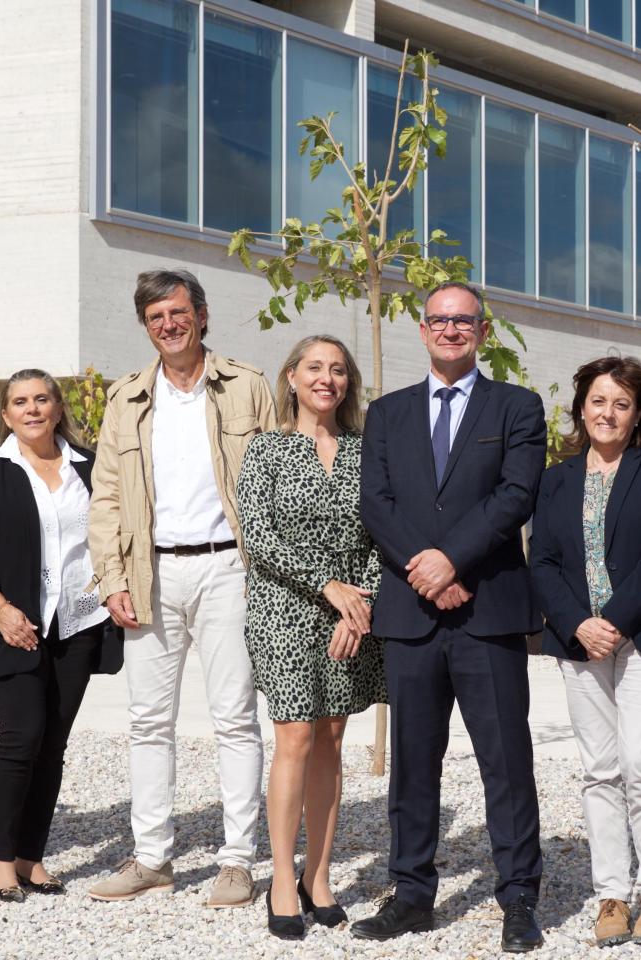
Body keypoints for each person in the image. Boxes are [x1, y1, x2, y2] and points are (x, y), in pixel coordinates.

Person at [352, 280, 548, 954]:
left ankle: (519, 897)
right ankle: (411, 892)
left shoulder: (517, 406)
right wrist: (427, 571)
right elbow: (376, 503)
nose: (451, 329)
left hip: (486, 612)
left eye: (464, 320)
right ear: (423, 328)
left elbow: (515, 495)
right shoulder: (387, 412)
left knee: (506, 761)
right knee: (412, 762)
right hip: (412, 615)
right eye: (439, 319)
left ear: (483, 331)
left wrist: (452, 562)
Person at [88, 269, 274, 908]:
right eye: (155, 317)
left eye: (177, 312)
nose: (168, 325)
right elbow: (107, 494)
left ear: (200, 315)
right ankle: (153, 858)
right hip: (151, 573)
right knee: (147, 722)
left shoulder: (247, 385)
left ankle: (238, 860)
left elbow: (274, 476)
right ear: (146, 326)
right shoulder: (127, 398)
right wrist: (111, 578)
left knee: (235, 718)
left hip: (231, 568)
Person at [529, 356, 641, 948]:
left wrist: (613, 620)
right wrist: (579, 623)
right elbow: (545, 563)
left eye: (622, 404)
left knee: (640, 760)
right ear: (581, 406)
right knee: (600, 769)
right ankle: (612, 894)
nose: (608, 413)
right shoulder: (554, 478)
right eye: (599, 401)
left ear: (638, 416)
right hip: (579, 642)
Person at [0, 369, 124, 902]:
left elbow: (111, 536)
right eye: (20, 402)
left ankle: (31, 856)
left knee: (53, 744)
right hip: (12, 623)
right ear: (5, 414)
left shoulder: (90, 468)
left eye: (42, 399)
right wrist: (0, 609)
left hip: (79, 621)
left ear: (57, 408)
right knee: (22, 735)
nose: (32, 409)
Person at [235, 334, 385, 940]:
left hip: (352, 613)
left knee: (332, 735)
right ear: (292, 376)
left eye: (339, 370)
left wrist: (360, 604)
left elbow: (384, 533)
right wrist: (329, 588)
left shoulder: (365, 452)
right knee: (295, 734)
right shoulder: (266, 450)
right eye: (316, 368)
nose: (328, 379)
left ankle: (317, 876)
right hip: (285, 606)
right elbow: (259, 536)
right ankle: (279, 878)